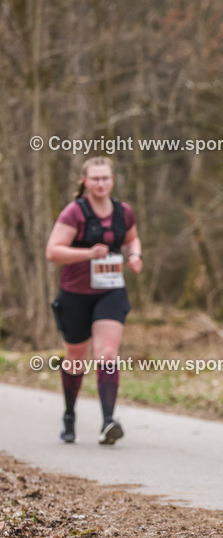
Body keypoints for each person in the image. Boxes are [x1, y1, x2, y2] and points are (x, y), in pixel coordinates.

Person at [45, 157, 142, 445]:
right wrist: (87, 254)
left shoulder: (123, 211)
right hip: (75, 294)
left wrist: (135, 256)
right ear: (85, 181)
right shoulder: (75, 212)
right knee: (76, 358)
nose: (101, 183)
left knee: (107, 353)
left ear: (113, 180)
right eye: (95, 178)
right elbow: (53, 251)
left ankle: (108, 420)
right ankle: (69, 414)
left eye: (106, 178)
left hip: (111, 291)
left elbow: (132, 240)